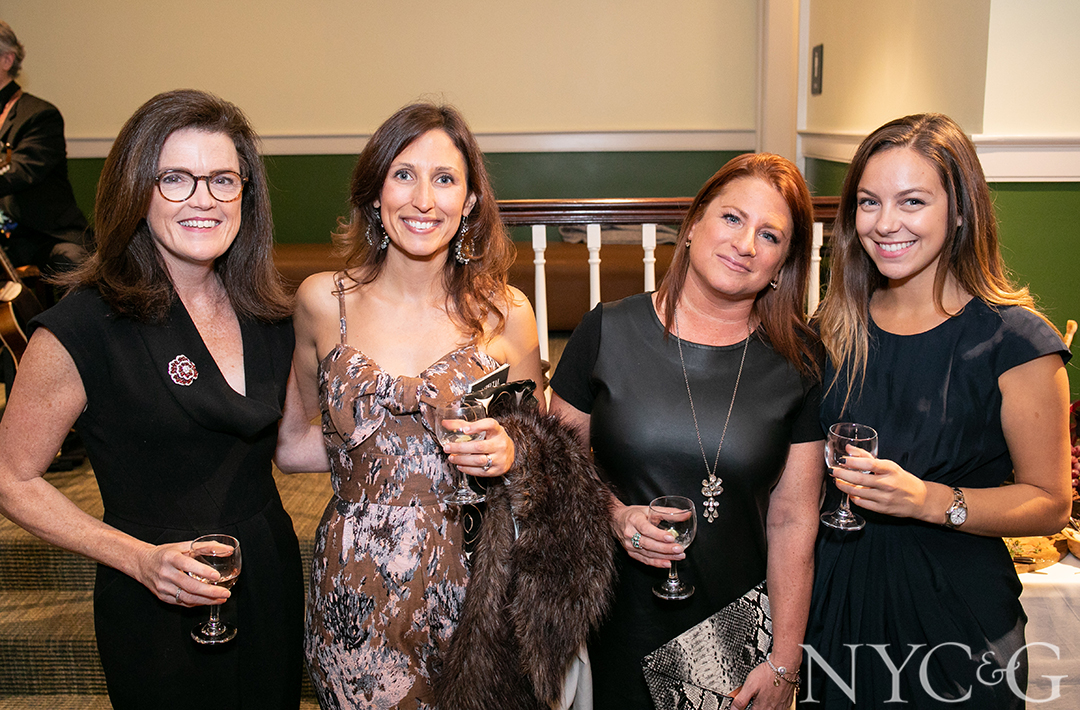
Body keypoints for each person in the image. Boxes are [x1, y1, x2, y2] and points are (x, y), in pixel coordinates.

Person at [0, 89, 327, 709]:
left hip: (266, 572)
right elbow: (11, 477)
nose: (204, 199)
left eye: (223, 180)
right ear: (135, 192)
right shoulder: (85, 326)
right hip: (151, 589)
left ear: (246, 195)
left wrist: (411, 436)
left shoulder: (268, 314)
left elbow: (290, 446)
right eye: (175, 179)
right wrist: (137, 559)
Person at [801, 113, 1072, 708]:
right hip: (836, 606)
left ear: (960, 211)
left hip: (956, 622)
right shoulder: (833, 327)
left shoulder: (1016, 342)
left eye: (912, 201)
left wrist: (929, 500)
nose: (885, 223)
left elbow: (1050, 502)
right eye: (869, 202)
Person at [550, 153, 825, 710]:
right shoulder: (606, 330)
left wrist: (785, 660)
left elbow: (794, 518)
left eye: (769, 235)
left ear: (783, 262)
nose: (745, 244)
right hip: (610, 616)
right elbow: (556, 470)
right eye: (732, 218)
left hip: (734, 629)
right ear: (695, 223)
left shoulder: (800, 361)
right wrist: (614, 515)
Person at [292, 102, 544, 708]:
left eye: (445, 178)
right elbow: (294, 442)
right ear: (374, 191)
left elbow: (541, 451)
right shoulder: (323, 302)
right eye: (403, 174)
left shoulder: (507, 312)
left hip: (479, 579)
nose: (423, 200)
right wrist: (380, 465)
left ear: (470, 201)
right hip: (355, 584)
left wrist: (512, 451)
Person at [0, 20, 89, 272]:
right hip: (5, 241)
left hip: (43, 235)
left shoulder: (39, 115)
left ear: (7, 60)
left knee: (73, 262)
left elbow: (21, 171)